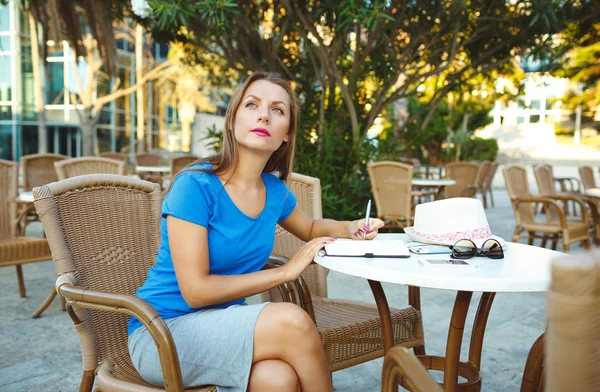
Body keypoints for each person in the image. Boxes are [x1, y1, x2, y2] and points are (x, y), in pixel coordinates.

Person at [127, 71, 384, 392]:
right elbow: (195, 291)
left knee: (279, 379)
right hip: (162, 333)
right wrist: (284, 273)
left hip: (222, 325)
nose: (264, 114)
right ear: (232, 121)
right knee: (292, 321)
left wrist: (351, 227)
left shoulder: (274, 191)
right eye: (252, 104)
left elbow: (312, 228)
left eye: (278, 110)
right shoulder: (194, 185)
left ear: (286, 133)